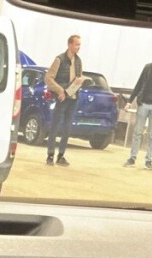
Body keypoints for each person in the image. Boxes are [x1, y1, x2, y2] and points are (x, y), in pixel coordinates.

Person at [44, 35, 89, 167]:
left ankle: (61, 155)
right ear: (69, 44)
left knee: (67, 128)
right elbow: (48, 78)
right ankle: (50, 155)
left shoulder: (78, 61)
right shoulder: (59, 59)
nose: (79, 47)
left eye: (80, 44)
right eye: (77, 44)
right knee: (55, 126)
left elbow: (79, 76)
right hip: (62, 97)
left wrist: (80, 81)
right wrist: (60, 90)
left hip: (73, 98)